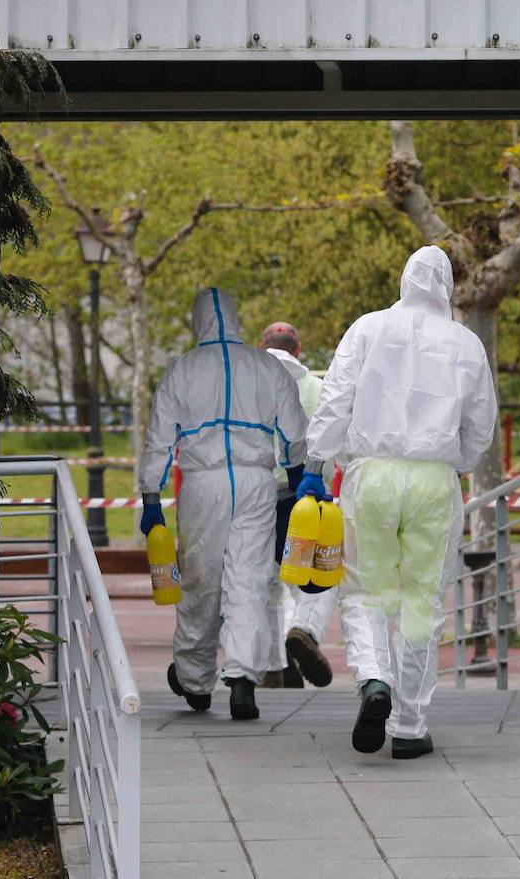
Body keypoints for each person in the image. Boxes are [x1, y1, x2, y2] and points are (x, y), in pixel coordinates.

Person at [298, 245, 496, 759]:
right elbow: (480, 425)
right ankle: (409, 726)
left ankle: (373, 680)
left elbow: (335, 396)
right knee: (422, 601)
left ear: (405, 279)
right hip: (434, 479)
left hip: (373, 475)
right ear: (447, 286)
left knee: (363, 590)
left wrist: (317, 464)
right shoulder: (466, 343)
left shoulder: (366, 328)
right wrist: (458, 462)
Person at [139, 288, 308, 721]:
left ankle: (195, 681)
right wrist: (296, 480)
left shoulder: (182, 370)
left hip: (202, 485)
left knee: (200, 583)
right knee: (249, 582)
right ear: (236, 319)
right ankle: (242, 681)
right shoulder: (266, 366)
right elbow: (294, 432)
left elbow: (159, 439)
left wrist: (151, 496)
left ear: (198, 321)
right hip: (256, 484)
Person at [259, 321, 335, 690]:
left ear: (262, 346)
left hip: (254, 497)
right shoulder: (319, 390)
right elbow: (334, 439)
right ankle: (303, 629)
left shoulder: (248, 387)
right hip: (301, 496)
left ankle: (275, 666)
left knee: (266, 585)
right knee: (314, 574)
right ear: (299, 350)